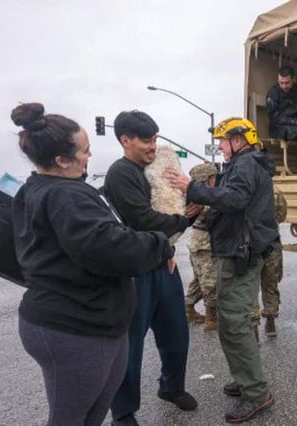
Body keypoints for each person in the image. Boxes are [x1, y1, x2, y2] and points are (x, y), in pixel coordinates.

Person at [10, 103, 176, 426]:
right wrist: (160, 244)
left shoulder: (40, 188)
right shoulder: (66, 196)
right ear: (61, 160)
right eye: (84, 152)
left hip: (89, 321)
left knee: (91, 414)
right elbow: (110, 248)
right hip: (74, 328)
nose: (89, 157)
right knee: (70, 417)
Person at [165, 117, 278, 423]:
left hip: (241, 252)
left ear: (238, 139)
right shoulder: (244, 163)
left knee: (234, 322)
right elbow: (235, 206)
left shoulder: (245, 165)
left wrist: (193, 188)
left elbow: (236, 199)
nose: (219, 146)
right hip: (238, 249)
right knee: (234, 320)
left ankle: (255, 392)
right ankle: (246, 378)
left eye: (223, 140)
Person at [103, 110, 200, 426]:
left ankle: (172, 388)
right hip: (136, 271)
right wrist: (184, 219)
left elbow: (168, 210)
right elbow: (142, 220)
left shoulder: (155, 169)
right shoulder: (121, 173)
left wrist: (190, 210)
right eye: (146, 139)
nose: (153, 146)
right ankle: (124, 410)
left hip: (165, 265)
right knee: (131, 343)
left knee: (176, 334)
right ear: (125, 139)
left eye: (156, 138)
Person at [184, 162, 220, 331]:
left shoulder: (193, 194)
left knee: (200, 279)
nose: (215, 180)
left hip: (197, 241)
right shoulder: (201, 197)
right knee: (210, 281)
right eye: (214, 177)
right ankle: (211, 318)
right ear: (208, 179)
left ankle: (188, 308)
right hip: (204, 243)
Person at [251, 187, 286, 338]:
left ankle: (253, 329)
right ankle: (270, 322)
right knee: (271, 283)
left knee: (249, 285)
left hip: (250, 244)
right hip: (271, 242)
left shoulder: (243, 187)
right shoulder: (275, 191)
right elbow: (282, 215)